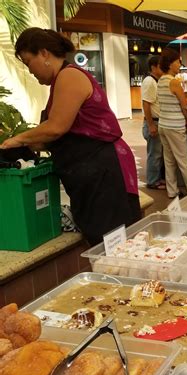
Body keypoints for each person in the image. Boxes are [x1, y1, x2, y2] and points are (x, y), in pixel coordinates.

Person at [0, 28, 140, 246]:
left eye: (28, 63)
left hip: (105, 174)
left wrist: (18, 139)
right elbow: (53, 136)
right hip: (91, 175)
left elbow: (56, 127)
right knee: (104, 245)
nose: (30, 71)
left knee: (115, 246)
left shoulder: (69, 75)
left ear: (44, 53)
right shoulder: (59, 82)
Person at [157, 48, 187, 199]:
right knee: (184, 161)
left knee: (169, 160)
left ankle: (172, 190)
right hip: (175, 126)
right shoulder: (174, 82)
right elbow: (184, 106)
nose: (179, 64)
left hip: (163, 125)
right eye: (177, 62)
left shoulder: (161, 80)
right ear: (170, 63)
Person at [141, 55, 165, 190]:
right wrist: (151, 125)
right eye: (160, 66)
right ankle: (152, 181)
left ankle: (157, 178)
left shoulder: (156, 81)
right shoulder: (149, 81)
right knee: (154, 154)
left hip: (157, 122)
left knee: (157, 153)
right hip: (153, 123)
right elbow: (146, 104)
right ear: (153, 67)